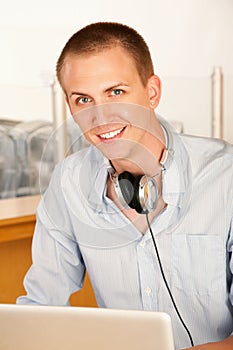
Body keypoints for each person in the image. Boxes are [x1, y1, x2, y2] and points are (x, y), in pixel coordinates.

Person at [17, 22, 233, 349]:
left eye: (116, 92)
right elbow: (40, 308)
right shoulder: (68, 182)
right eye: (83, 100)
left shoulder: (225, 174)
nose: (101, 118)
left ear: (152, 92)